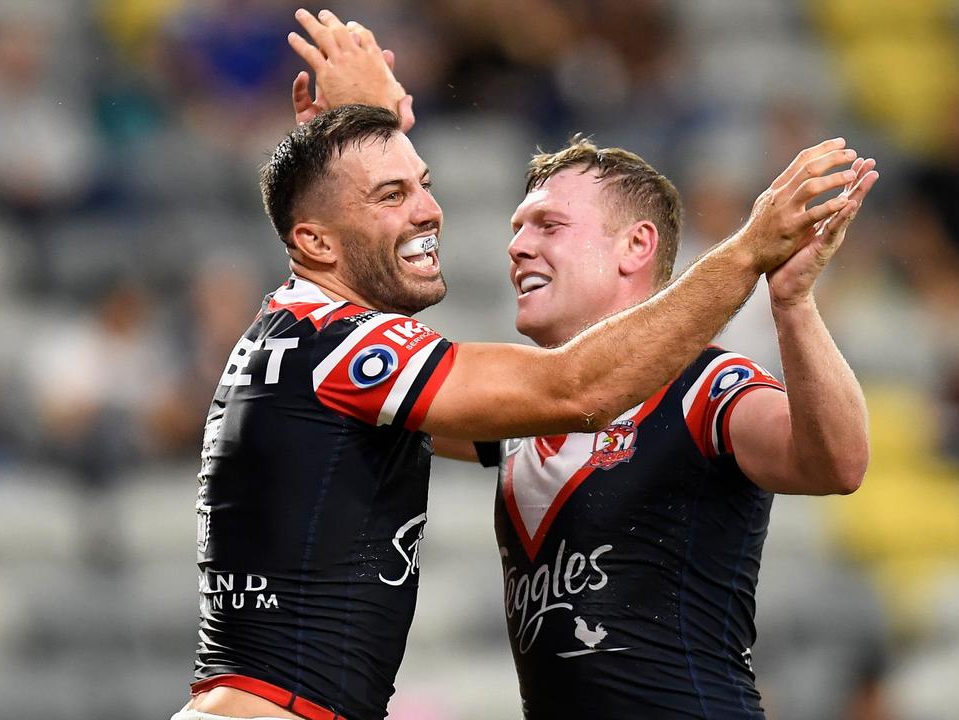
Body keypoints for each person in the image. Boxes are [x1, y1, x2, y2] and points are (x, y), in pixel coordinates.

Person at [178, 19, 865, 720]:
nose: (515, 247)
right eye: (514, 228)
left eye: (547, 226)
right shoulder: (395, 369)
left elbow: (837, 463)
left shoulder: (699, 386)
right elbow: (576, 388)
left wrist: (790, 303)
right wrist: (746, 252)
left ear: (635, 246)